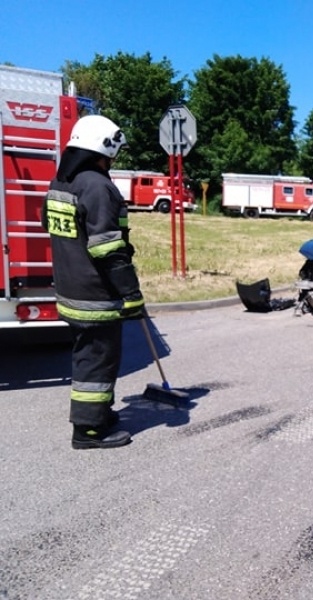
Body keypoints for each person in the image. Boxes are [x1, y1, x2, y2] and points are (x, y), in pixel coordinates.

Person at [42, 115, 144, 450]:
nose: (113, 159)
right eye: (113, 153)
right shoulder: (98, 187)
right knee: (98, 358)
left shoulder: (62, 181)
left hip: (69, 287)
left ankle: (99, 412)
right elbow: (107, 249)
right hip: (95, 292)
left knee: (88, 354)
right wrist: (131, 293)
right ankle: (88, 430)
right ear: (103, 149)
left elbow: (49, 224)